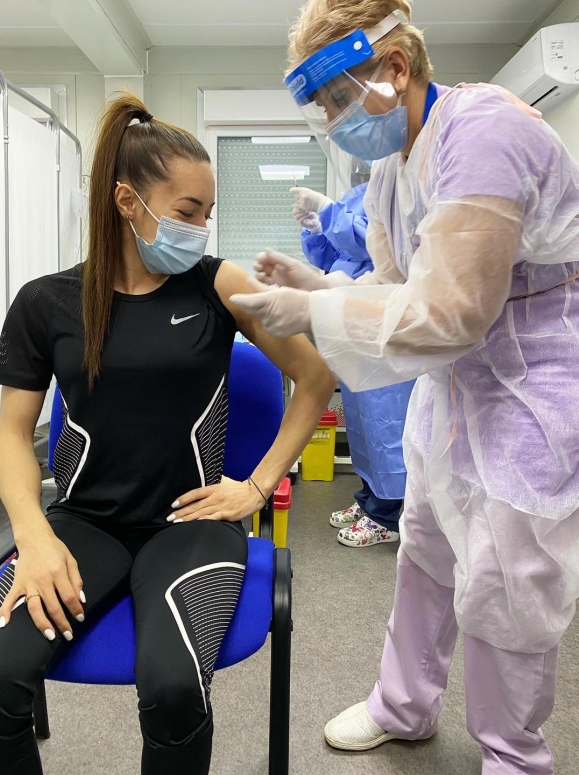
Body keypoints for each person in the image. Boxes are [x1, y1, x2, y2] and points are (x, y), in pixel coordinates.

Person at [231, 1, 579, 773]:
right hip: (455, 386)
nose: (334, 121)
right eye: (323, 107)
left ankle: (513, 752)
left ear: (394, 67)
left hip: (532, 381)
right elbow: (399, 288)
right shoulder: (393, 170)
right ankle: (404, 705)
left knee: (507, 577)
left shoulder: (483, 133)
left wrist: (312, 312)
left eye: (338, 99)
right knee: (424, 545)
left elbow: (454, 312)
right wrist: (318, 283)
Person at [0, 94, 336, 775]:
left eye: (207, 213)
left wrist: (256, 488)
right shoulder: (46, 303)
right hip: (83, 524)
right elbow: (12, 436)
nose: (200, 229)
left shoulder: (217, 284)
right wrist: (34, 537)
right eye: (187, 212)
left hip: (190, 525)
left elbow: (314, 378)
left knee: (172, 690)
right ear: (127, 202)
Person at [293, 182, 414, 547]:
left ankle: (387, 516)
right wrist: (318, 228)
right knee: (362, 425)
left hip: (385, 322)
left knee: (386, 424)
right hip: (357, 323)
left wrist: (330, 214)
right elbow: (334, 258)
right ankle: (368, 501)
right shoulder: (363, 191)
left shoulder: (403, 192)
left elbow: (379, 246)